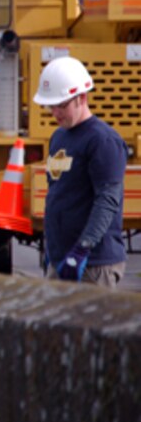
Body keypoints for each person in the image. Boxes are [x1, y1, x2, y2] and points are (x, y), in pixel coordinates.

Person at [33, 56, 128, 288]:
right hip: (60, 260)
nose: (56, 113)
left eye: (62, 105)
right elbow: (58, 193)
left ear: (81, 98)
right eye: (51, 106)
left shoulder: (102, 141)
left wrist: (82, 248)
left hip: (93, 265)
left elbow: (107, 201)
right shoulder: (58, 138)